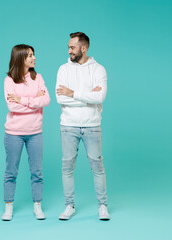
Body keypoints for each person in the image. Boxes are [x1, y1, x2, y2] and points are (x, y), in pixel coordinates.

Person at [56, 32, 110, 220]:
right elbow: (59, 97)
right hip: (68, 125)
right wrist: (87, 95)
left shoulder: (99, 70)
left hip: (92, 125)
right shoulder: (63, 69)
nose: (69, 50)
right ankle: (69, 205)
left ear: (83, 48)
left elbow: (100, 97)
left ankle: (102, 206)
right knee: (67, 168)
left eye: (72, 47)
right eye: (69, 47)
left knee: (97, 166)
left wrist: (72, 93)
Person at [1, 44, 50, 221]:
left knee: (37, 171)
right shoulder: (9, 80)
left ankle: (37, 206)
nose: (34, 58)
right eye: (30, 55)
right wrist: (34, 101)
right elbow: (11, 106)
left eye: (33, 54)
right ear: (20, 58)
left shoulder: (39, 78)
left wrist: (22, 100)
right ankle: (8, 207)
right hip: (14, 133)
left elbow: (46, 100)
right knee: (11, 172)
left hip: (35, 132)